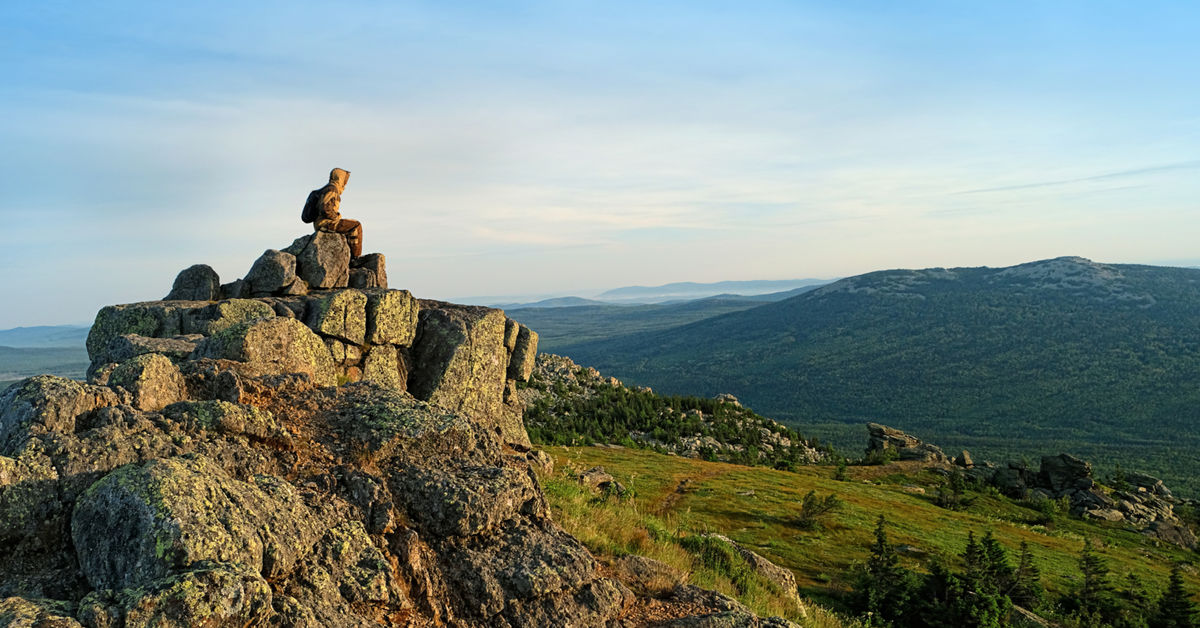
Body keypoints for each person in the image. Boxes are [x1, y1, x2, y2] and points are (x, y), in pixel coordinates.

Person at [303, 167, 362, 258]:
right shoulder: (332, 189)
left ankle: (348, 255)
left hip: (319, 224)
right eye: (344, 181)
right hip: (326, 223)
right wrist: (336, 217)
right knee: (356, 226)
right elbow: (326, 209)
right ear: (340, 179)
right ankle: (356, 257)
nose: (345, 184)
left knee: (347, 227)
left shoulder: (324, 189)